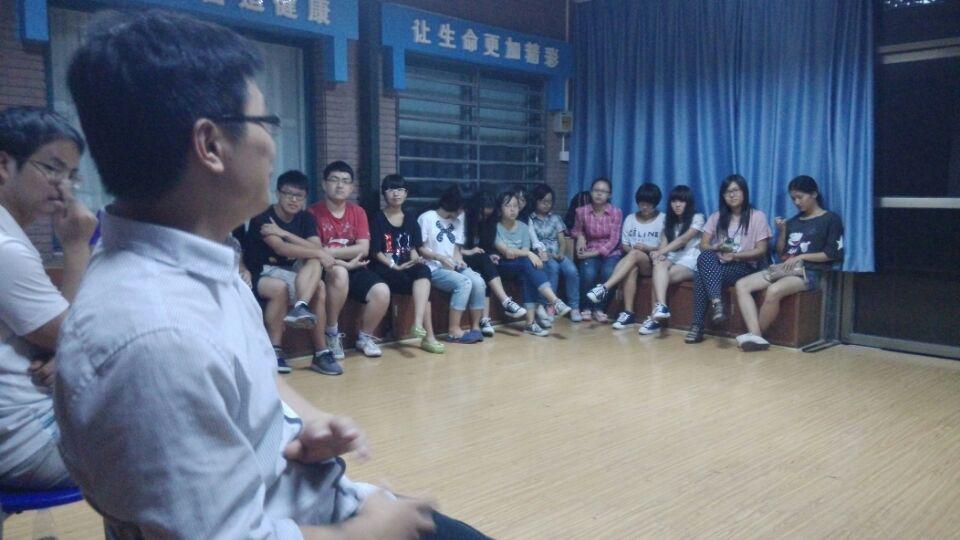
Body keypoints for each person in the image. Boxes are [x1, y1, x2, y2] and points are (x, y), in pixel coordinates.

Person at [55, 10, 486, 538]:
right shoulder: (157, 335)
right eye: (265, 124)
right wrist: (368, 533)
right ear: (210, 145)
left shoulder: (203, 261)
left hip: (314, 496)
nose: (273, 146)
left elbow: (256, 381)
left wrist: (305, 419)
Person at [0, 106, 96, 489]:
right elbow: (77, 339)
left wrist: (65, 351)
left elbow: (65, 338)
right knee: (161, 429)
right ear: (4, 165)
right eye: (52, 169)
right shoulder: (6, 249)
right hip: (26, 441)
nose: (64, 187)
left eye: (71, 175)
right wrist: (76, 247)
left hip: (21, 425)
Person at [244, 170, 341, 375]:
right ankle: (274, 350)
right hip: (261, 272)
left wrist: (284, 233)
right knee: (282, 286)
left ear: (305, 198)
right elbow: (282, 249)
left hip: (291, 271)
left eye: (299, 195)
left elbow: (315, 247)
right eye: (288, 194)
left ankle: (319, 348)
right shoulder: (263, 217)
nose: (293, 199)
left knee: (318, 278)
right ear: (277, 193)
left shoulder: (306, 218)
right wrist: (318, 252)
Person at [733, 176, 844, 350]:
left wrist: (802, 257)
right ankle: (756, 335)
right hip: (784, 268)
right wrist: (783, 230)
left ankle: (755, 336)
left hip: (810, 272)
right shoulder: (793, 221)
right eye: (793, 199)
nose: (797, 202)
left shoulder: (830, 219)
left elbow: (832, 254)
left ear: (814, 194)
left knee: (774, 290)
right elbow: (781, 252)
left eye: (800, 197)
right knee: (742, 285)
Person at [308, 161, 390, 358]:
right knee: (339, 273)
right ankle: (331, 333)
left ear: (351, 187)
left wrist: (330, 251)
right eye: (334, 180)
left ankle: (364, 337)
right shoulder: (312, 213)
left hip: (355, 266)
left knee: (382, 291)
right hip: (325, 268)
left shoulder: (358, 212)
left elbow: (363, 248)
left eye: (345, 181)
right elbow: (315, 251)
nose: (340, 185)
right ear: (324, 184)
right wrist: (342, 261)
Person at [685, 174, 771, 344]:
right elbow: (703, 245)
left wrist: (735, 255)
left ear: (744, 192)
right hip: (720, 265)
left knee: (701, 275)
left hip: (745, 266)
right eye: (727, 192)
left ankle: (697, 326)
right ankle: (717, 303)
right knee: (705, 257)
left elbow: (761, 250)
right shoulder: (717, 217)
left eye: (735, 190)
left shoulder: (757, 216)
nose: (731, 195)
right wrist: (717, 247)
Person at [368, 175, 444, 354]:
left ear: (406, 193)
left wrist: (416, 259)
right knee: (422, 290)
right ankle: (429, 337)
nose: (396, 194)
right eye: (391, 190)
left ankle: (417, 325)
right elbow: (376, 252)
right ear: (384, 193)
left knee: (423, 270)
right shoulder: (377, 219)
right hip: (385, 269)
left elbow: (413, 248)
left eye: (400, 190)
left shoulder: (410, 218)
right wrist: (393, 265)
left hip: (405, 266)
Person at [493, 190, 573, 336]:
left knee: (528, 274)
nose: (512, 209)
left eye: (515, 206)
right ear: (500, 209)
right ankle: (554, 301)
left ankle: (530, 323)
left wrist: (527, 253)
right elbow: (507, 252)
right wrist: (530, 253)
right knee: (528, 262)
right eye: (508, 206)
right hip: (503, 266)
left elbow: (523, 249)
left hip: (521, 265)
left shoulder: (523, 227)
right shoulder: (496, 227)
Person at [585, 182, 665, 329]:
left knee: (635, 254)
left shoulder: (663, 219)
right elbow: (625, 245)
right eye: (642, 203)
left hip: (653, 263)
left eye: (649, 204)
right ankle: (628, 313)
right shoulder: (630, 219)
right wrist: (634, 251)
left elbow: (664, 247)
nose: (644, 207)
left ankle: (604, 288)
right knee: (632, 266)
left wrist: (646, 248)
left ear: (655, 204)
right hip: (633, 259)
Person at [417, 186, 489, 343]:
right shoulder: (427, 218)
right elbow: (420, 248)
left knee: (478, 281)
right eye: (462, 207)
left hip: (451, 265)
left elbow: (456, 250)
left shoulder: (458, 220)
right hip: (432, 267)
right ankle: (453, 330)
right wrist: (440, 257)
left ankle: (475, 327)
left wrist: (459, 261)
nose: (462, 211)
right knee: (464, 283)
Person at [638, 185, 705, 335]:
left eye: (681, 201)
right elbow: (664, 241)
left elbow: (682, 240)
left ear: (688, 203)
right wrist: (659, 256)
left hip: (691, 261)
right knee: (658, 266)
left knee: (660, 277)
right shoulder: (668, 220)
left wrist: (661, 252)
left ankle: (655, 319)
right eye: (674, 201)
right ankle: (661, 307)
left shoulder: (697, 218)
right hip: (673, 258)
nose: (677, 205)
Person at [571, 177, 623, 323]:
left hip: (611, 252)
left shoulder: (616, 212)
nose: (599, 194)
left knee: (608, 272)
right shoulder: (581, 211)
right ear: (591, 192)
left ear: (609, 194)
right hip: (590, 248)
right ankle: (586, 307)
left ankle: (599, 309)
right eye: (596, 190)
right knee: (589, 272)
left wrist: (593, 253)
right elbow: (575, 230)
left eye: (603, 191)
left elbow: (614, 240)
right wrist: (580, 236)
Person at [529, 184, 581, 323]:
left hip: (557, 253)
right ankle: (550, 305)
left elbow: (562, 240)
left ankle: (574, 307)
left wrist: (561, 253)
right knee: (553, 268)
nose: (547, 205)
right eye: (543, 201)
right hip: (542, 255)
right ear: (536, 201)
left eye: (549, 201)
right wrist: (544, 254)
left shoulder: (555, 218)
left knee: (572, 270)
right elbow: (532, 242)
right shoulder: (530, 219)